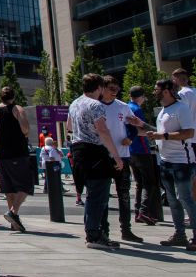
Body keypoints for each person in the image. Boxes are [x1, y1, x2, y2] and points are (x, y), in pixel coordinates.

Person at [67, 73, 125, 251]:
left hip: (78, 150)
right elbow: (103, 131)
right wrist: (116, 156)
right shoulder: (96, 105)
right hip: (94, 151)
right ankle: (94, 234)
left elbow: (69, 126)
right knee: (98, 195)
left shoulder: (75, 103)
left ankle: (96, 232)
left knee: (91, 194)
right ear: (99, 88)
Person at [145, 79, 196, 250]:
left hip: (181, 161)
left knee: (186, 198)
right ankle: (179, 235)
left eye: (156, 89)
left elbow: (188, 132)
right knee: (173, 200)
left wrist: (163, 136)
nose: (154, 91)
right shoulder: (163, 111)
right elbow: (162, 133)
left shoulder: (181, 108)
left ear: (166, 90)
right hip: (166, 161)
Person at [99, 76, 143, 243]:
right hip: (104, 155)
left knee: (124, 193)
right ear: (103, 88)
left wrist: (130, 138)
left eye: (117, 89)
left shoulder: (123, 107)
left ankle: (126, 229)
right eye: (111, 88)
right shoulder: (96, 107)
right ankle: (103, 229)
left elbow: (133, 126)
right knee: (102, 193)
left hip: (122, 154)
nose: (114, 92)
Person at [0, 86, 32, 233]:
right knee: (25, 186)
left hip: (1, 154)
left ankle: (14, 222)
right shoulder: (17, 108)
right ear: (13, 96)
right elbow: (25, 129)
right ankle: (13, 212)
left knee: (9, 189)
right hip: (17, 152)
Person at [126, 86, 158, 226]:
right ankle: (144, 211)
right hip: (141, 148)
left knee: (139, 182)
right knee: (150, 182)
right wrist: (156, 133)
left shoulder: (127, 107)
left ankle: (137, 210)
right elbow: (140, 129)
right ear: (141, 96)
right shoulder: (137, 109)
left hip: (131, 150)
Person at [171, 68, 196, 198]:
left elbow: (182, 115)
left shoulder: (182, 94)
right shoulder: (195, 91)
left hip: (190, 138)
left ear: (176, 79)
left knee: (191, 174)